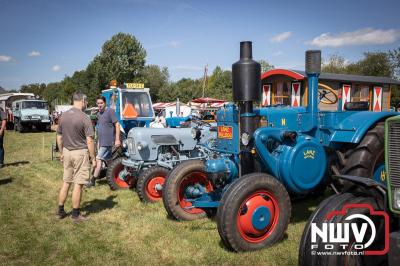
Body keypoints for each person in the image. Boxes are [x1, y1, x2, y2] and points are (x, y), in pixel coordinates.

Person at [56, 92, 96, 222]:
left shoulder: (63, 116)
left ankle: (60, 211)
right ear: (83, 101)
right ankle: (75, 214)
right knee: (78, 184)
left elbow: (59, 136)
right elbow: (90, 140)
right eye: (86, 101)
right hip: (80, 153)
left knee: (66, 182)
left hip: (67, 152)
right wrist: (93, 158)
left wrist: (62, 152)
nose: (87, 104)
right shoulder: (85, 117)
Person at [87, 96, 120, 187]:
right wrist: (98, 143)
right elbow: (99, 128)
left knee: (98, 160)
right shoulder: (98, 114)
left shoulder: (110, 111)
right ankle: (115, 177)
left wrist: (117, 139)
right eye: (98, 103)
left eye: (101, 103)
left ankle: (92, 181)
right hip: (101, 142)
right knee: (109, 162)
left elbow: (117, 125)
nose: (100, 105)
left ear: (105, 103)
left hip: (108, 141)